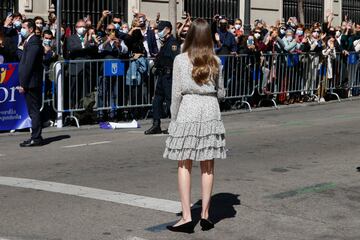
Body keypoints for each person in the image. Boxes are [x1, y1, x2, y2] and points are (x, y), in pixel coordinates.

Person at [163, 18, 226, 233]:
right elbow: (222, 93)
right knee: (208, 164)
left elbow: (175, 93)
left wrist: (173, 119)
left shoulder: (180, 59)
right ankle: (206, 215)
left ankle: (187, 216)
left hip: (188, 108)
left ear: (190, 35)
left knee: (184, 163)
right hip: (210, 108)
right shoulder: (216, 61)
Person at [144, 21, 180, 135]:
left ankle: (174, 125)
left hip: (169, 76)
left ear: (168, 30)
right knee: (157, 100)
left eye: (161, 29)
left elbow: (175, 60)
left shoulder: (173, 43)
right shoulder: (164, 42)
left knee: (170, 101)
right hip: (162, 75)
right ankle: (156, 124)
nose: (159, 32)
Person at [18, 19, 44, 147]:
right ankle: (35, 136)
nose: (22, 29)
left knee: (33, 111)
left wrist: (23, 83)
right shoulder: (29, 42)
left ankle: (36, 137)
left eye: (24, 27)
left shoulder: (34, 43)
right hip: (30, 81)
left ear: (31, 29)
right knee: (32, 110)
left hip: (31, 82)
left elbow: (28, 65)